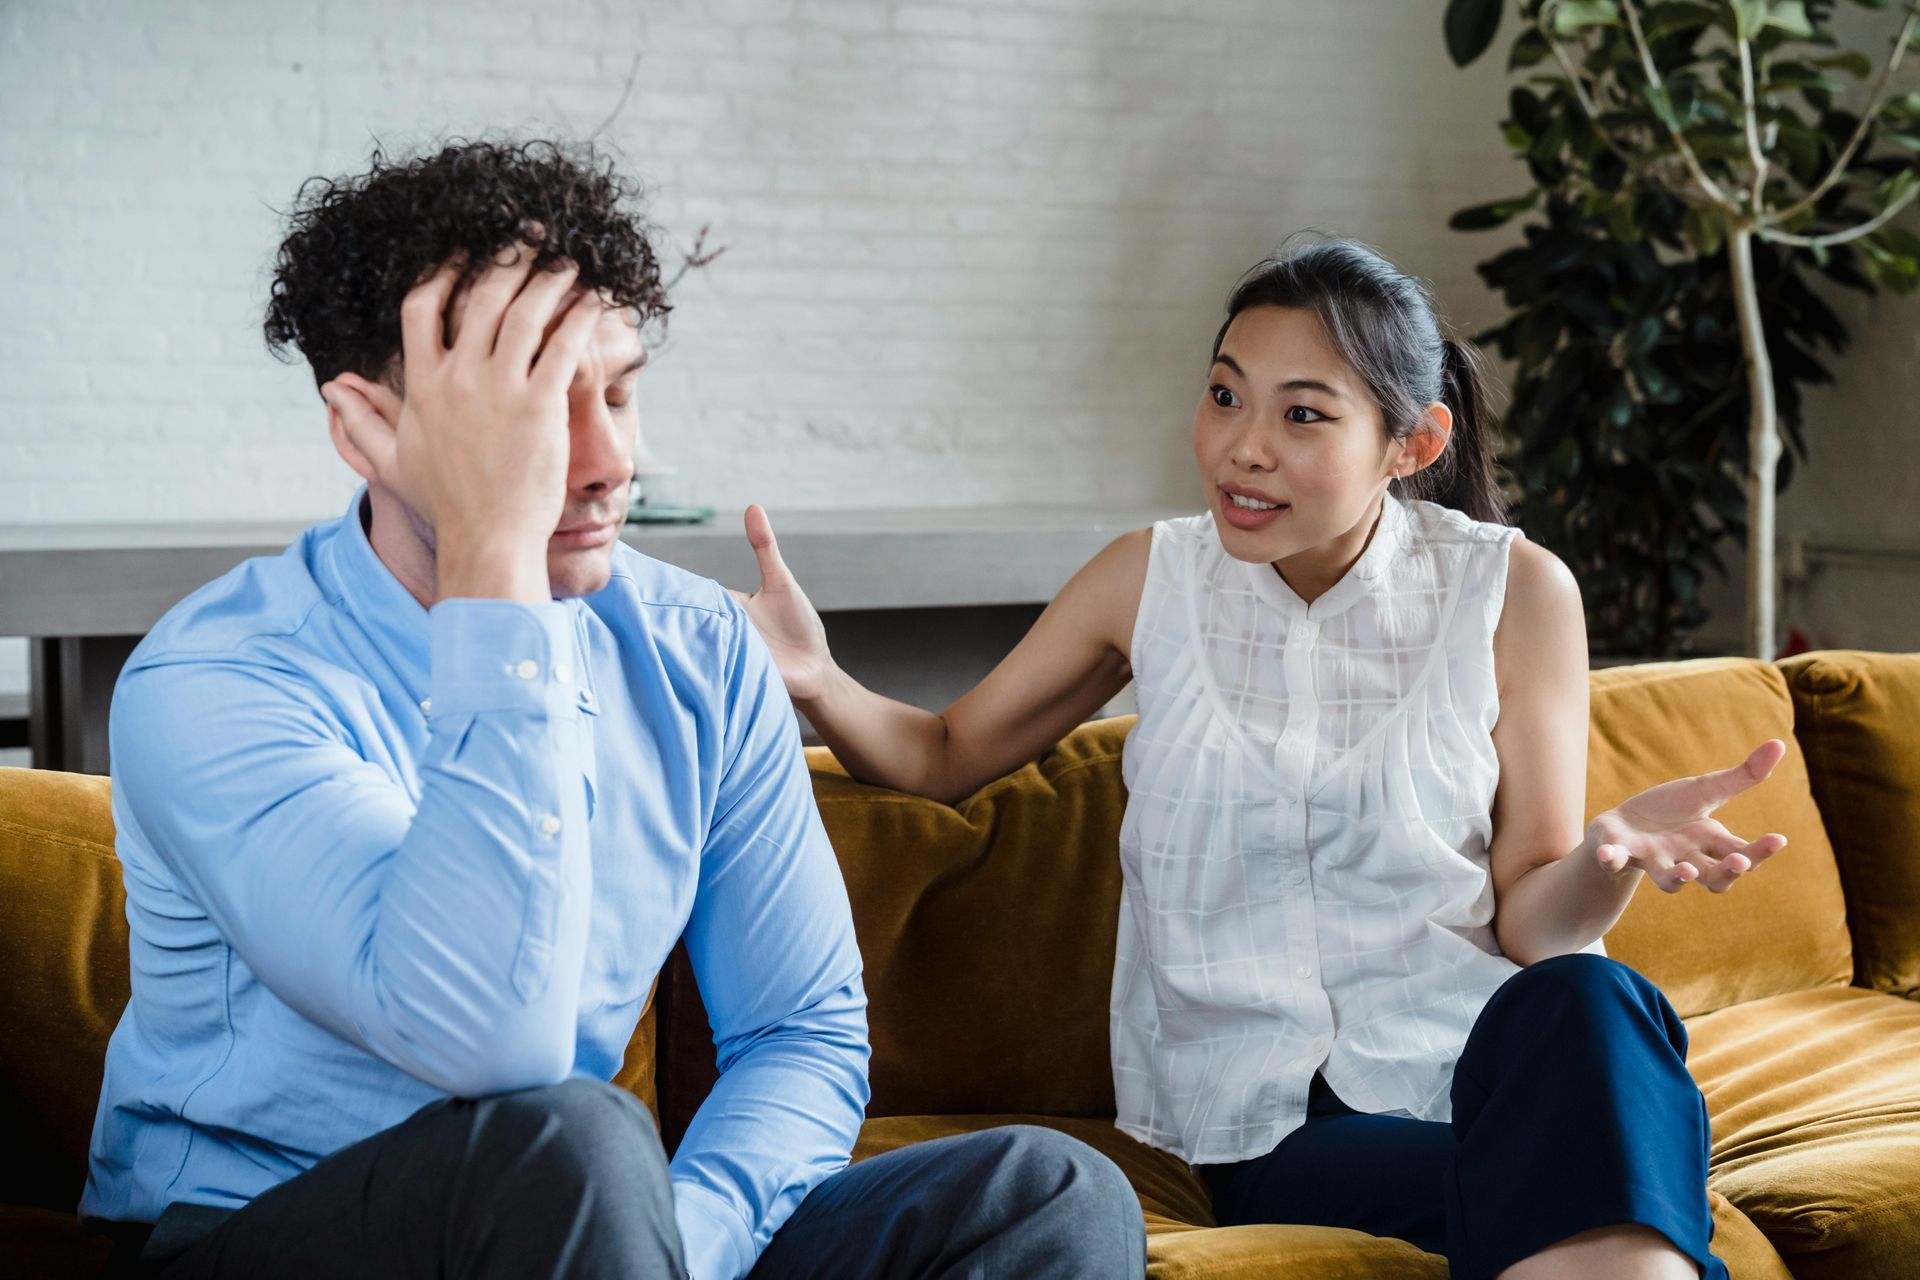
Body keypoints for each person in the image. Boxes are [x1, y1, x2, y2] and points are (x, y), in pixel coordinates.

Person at [80, 139, 1146, 1280]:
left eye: (622, 391)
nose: (607, 459)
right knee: (571, 1137)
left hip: (602, 1239)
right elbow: (490, 1044)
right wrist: (495, 559)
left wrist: (678, 1241)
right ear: (365, 430)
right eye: (535, 407)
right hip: (257, 1233)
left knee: (1047, 1196)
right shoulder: (218, 680)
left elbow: (801, 1031)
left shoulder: (696, 652)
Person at [731, 236, 1790, 1280]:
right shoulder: (1150, 578)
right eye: (1226, 395)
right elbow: (947, 751)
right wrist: (819, 678)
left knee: (1592, 1003)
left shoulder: (1513, 590)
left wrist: (1604, 853)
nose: (1242, 445)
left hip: (1481, 1071)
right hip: (1271, 1128)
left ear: (1413, 443)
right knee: (1605, 1200)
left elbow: (1529, 918)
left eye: (1302, 415)